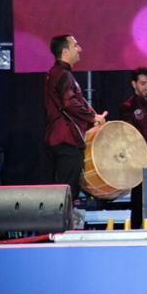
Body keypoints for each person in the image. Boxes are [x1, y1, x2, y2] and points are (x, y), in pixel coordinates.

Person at [43, 34, 107, 200]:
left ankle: (63, 224)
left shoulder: (54, 73)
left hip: (58, 139)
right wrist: (93, 117)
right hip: (66, 139)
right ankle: (62, 226)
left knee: (64, 190)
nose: (80, 49)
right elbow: (69, 103)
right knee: (67, 191)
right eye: (76, 46)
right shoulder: (63, 75)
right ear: (65, 51)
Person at [119, 67, 147, 228]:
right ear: (134, 84)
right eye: (143, 83)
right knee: (138, 199)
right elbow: (128, 133)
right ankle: (135, 232)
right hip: (139, 159)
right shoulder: (127, 107)